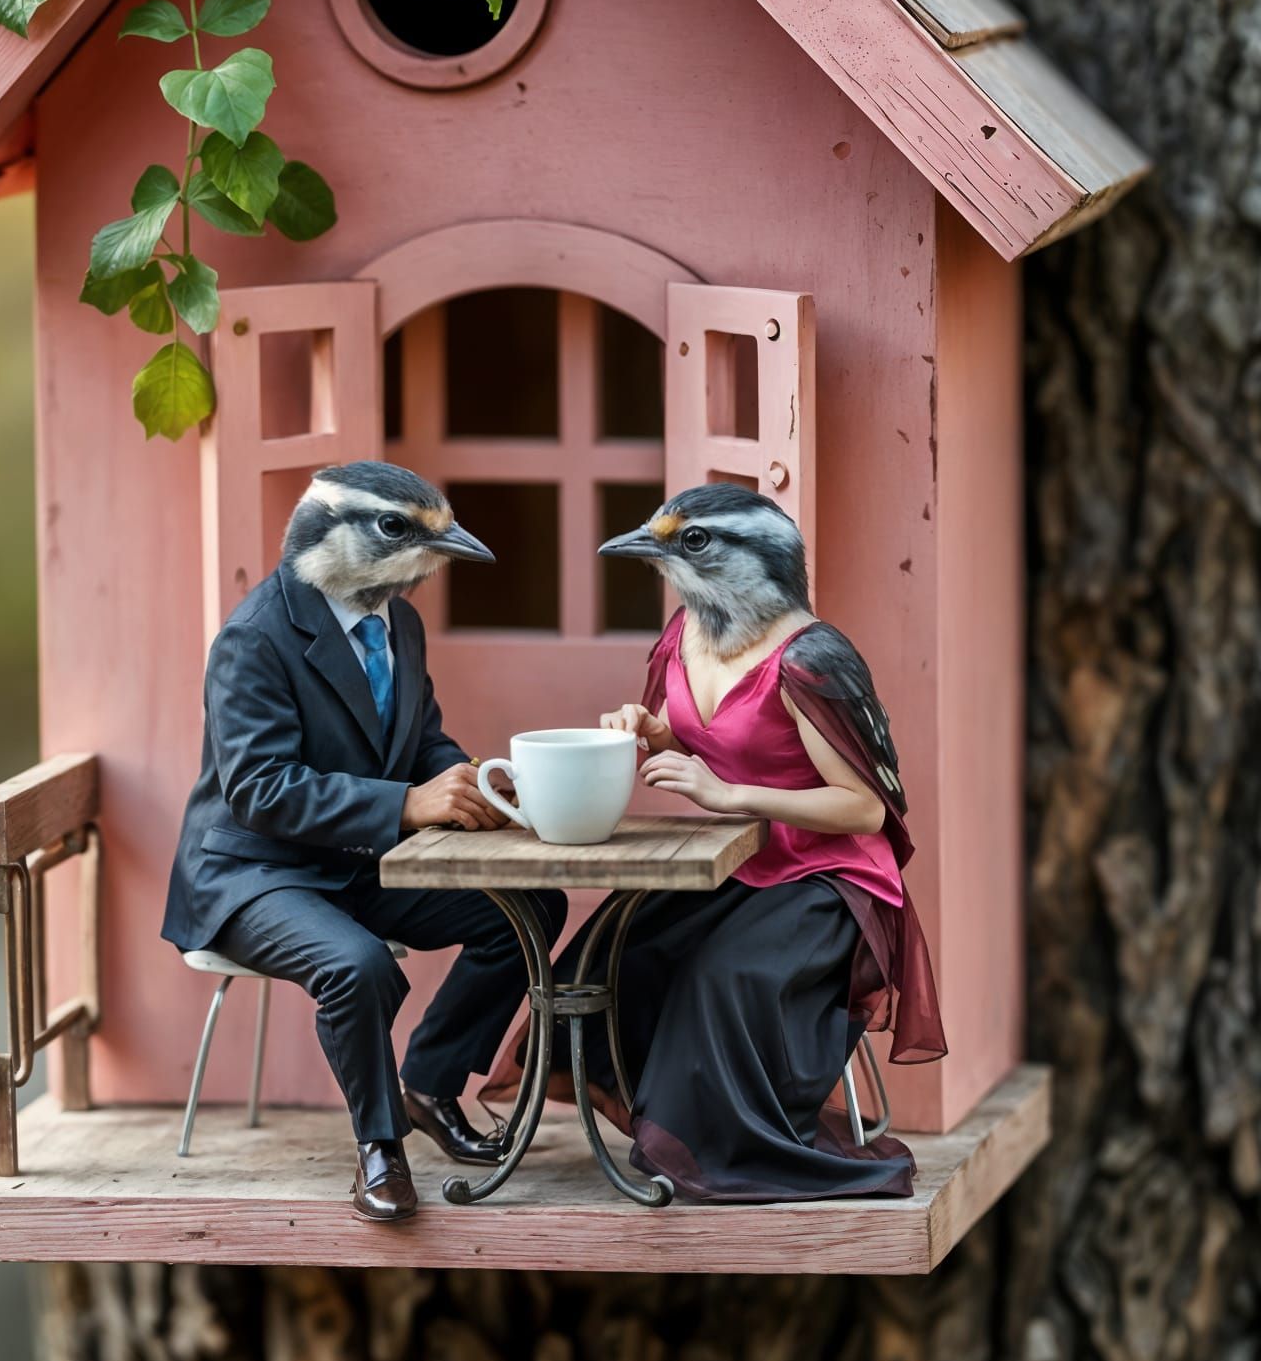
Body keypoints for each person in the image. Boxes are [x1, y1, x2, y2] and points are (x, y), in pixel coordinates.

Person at [163, 461, 564, 1223]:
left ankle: (430, 1084)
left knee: (529, 910)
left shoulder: (397, 622)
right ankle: (379, 1148)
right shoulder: (254, 640)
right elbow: (259, 789)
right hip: (256, 873)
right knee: (358, 966)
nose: (438, 549)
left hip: (359, 860)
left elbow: (422, 744)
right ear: (326, 535)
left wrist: (471, 780)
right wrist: (411, 805)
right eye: (398, 529)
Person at [572, 481, 946, 1202]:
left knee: (719, 975)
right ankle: (670, 1127)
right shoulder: (685, 634)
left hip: (828, 879)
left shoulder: (811, 658)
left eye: (692, 541)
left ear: (759, 560)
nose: (655, 552)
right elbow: (702, 732)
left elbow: (865, 810)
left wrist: (729, 796)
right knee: (618, 947)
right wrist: (649, 730)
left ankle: (715, 1148)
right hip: (744, 865)